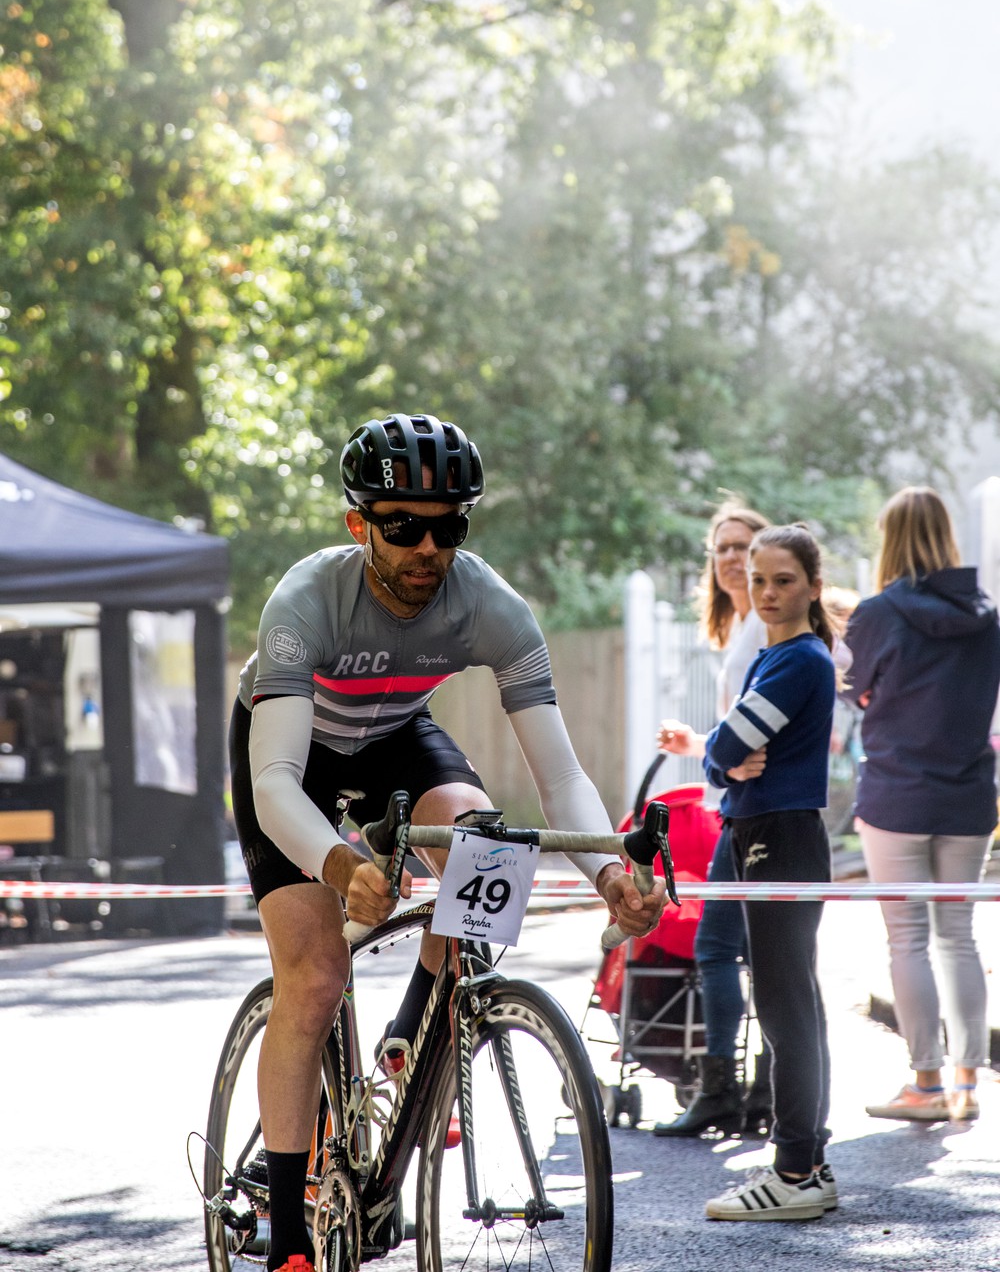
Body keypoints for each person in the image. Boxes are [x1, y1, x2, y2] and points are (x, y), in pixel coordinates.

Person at [230, 412, 666, 1272]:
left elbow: (561, 775)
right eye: (403, 528)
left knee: (488, 846)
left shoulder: (492, 605)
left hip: (395, 733)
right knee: (315, 980)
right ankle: (288, 1241)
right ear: (359, 525)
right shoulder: (306, 600)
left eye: (450, 526)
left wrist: (610, 866)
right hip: (293, 755)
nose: (429, 548)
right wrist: (341, 860)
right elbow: (275, 782)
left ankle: (412, 1027)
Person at [655, 525, 839, 1222]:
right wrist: (721, 760)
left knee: (788, 1011)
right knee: (790, 1007)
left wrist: (721, 758)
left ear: (814, 587)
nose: (766, 592)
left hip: (781, 837)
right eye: (759, 579)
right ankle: (805, 1163)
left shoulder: (797, 660)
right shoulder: (777, 655)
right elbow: (724, 753)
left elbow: (728, 744)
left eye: (783, 580)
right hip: (765, 831)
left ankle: (796, 1171)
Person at [845, 486, 1000, 1125]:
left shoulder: (877, 612)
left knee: (906, 939)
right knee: (959, 937)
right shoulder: (989, 615)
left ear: (891, 539)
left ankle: (927, 1084)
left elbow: (852, 690)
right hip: (968, 794)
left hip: (896, 796)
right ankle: (967, 1084)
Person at [653, 502, 772, 1137]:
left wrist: (741, 756)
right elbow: (741, 732)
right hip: (739, 804)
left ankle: (729, 1087)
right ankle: (760, 1088)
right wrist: (700, 746)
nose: (730, 557)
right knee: (758, 952)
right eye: (721, 547)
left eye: (742, 545)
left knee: (719, 947)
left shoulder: (766, 625)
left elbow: (774, 717)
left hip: (753, 812)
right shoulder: (744, 626)